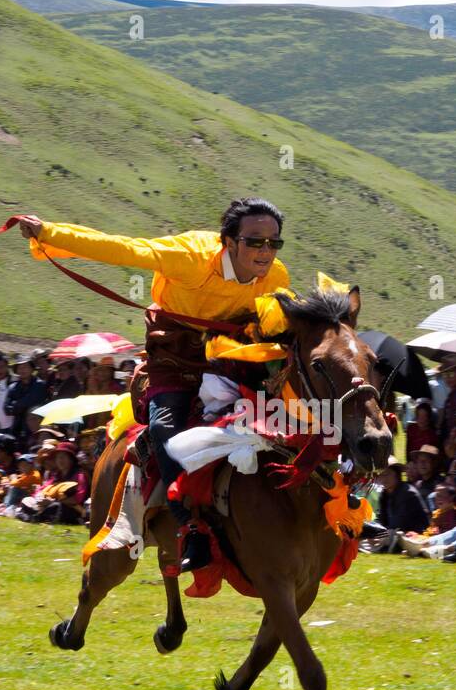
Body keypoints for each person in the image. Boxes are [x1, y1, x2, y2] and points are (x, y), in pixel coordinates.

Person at [17, 197, 290, 572]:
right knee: (165, 427)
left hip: (230, 357)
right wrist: (49, 233)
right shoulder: (190, 256)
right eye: (255, 242)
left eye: (274, 243)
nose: (266, 252)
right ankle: (188, 521)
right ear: (228, 241)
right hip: (174, 353)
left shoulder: (277, 278)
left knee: (287, 416)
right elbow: (124, 249)